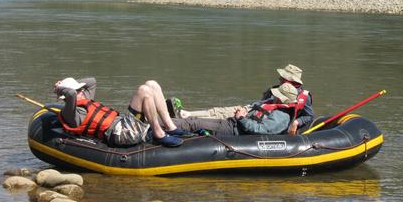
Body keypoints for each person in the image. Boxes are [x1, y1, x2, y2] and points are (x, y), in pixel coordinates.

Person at [170, 64, 313, 135]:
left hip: (250, 123)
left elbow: (309, 116)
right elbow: (262, 104)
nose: (280, 78)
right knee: (218, 112)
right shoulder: (277, 89)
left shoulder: (301, 99)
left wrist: (296, 122)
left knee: (202, 122)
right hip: (251, 113)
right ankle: (186, 114)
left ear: (290, 80)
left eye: (283, 77)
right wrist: (246, 110)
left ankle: (181, 121)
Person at [54, 77, 191, 147]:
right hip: (119, 134)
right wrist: (60, 88)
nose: (82, 90)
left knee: (151, 84)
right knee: (143, 90)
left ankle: (170, 127)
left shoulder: (85, 98)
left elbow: (92, 81)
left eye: (80, 89)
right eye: (78, 90)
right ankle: (159, 134)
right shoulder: (70, 113)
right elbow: (71, 94)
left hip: (124, 125)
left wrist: (74, 84)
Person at [171, 82, 302, 136]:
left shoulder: (281, 116)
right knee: (194, 120)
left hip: (235, 130)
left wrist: (241, 118)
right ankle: (163, 123)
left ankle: (158, 124)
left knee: (195, 123)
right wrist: (245, 113)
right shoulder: (276, 108)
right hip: (232, 123)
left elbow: (260, 130)